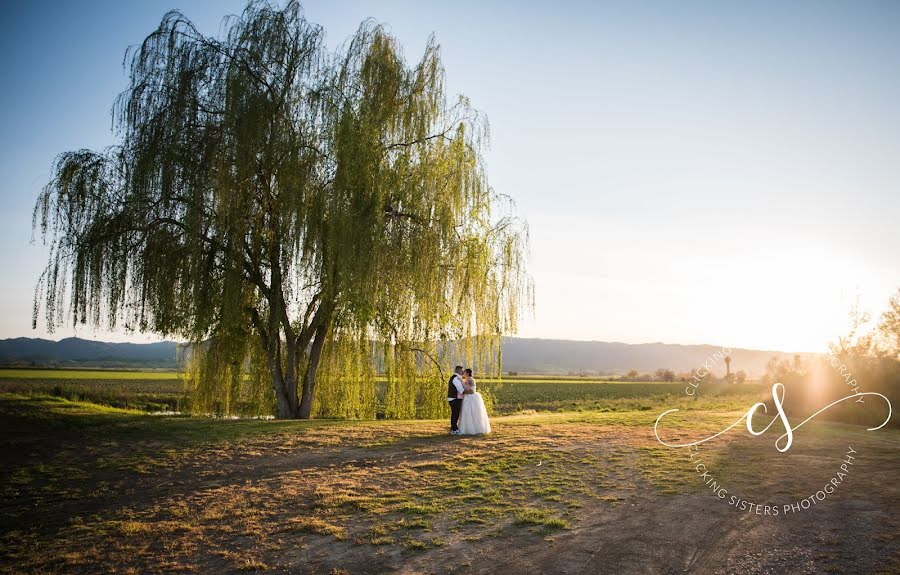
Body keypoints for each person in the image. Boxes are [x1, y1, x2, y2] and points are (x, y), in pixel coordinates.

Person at [457, 368, 491, 435]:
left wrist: (462, 382)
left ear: (467, 373)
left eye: (464, 372)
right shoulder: (467, 379)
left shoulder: (470, 379)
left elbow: (470, 390)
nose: (463, 373)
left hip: (471, 398)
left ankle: (473, 429)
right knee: (467, 413)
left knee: (471, 413)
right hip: (467, 397)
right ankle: (466, 428)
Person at [447, 365, 465, 434]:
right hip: (454, 399)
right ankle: (454, 429)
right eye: (463, 371)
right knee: (455, 413)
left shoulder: (456, 378)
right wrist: (469, 391)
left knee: (455, 413)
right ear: (460, 371)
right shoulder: (456, 379)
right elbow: (461, 390)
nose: (464, 372)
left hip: (453, 398)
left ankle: (454, 428)